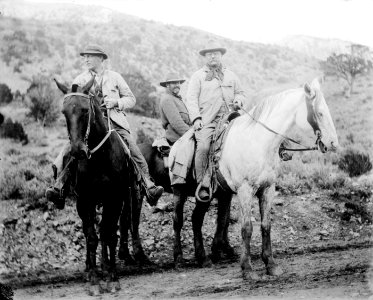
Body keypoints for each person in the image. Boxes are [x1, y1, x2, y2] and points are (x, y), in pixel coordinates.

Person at [46, 44, 163, 207]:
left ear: (101, 59)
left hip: (114, 123)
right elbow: (73, 105)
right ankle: (59, 187)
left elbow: (131, 99)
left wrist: (116, 102)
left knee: (133, 150)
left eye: (90, 56)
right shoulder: (79, 80)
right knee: (67, 151)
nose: (86, 59)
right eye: (84, 56)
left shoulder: (115, 77)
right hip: (87, 127)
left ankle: (147, 184)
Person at [186, 40, 246, 201]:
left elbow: (240, 92)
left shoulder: (231, 75)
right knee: (204, 147)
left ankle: (246, 178)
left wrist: (239, 100)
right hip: (207, 121)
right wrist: (196, 118)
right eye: (209, 54)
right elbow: (191, 99)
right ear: (205, 57)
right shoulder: (197, 76)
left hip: (231, 119)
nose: (213, 56)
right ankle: (203, 184)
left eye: (216, 53)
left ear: (221, 56)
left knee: (246, 142)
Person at [159, 73, 191, 145]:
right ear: (167, 85)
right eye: (174, 83)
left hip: (184, 137)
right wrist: (192, 133)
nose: (177, 85)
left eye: (178, 83)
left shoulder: (178, 99)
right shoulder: (167, 99)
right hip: (176, 139)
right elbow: (176, 123)